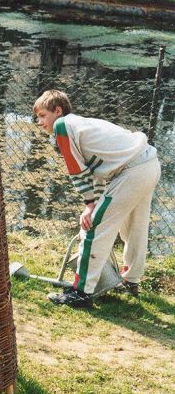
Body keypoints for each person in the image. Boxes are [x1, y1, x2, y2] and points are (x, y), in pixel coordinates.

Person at [33, 89, 161, 309]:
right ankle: (131, 281)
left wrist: (89, 205)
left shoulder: (63, 126)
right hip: (148, 163)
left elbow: (76, 171)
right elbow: (99, 172)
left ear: (57, 111)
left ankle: (81, 292)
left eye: (43, 116)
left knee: (95, 227)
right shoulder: (81, 124)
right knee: (134, 227)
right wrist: (95, 201)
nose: (40, 122)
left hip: (132, 171)